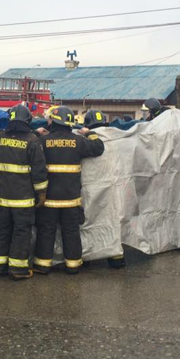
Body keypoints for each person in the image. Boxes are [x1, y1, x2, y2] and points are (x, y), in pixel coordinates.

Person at [33, 106, 105, 274]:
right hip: (71, 199)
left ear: (54, 122)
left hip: (48, 199)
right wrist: (89, 133)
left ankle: (43, 265)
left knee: (46, 231)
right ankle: (73, 266)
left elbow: (29, 144)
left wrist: (37, 133)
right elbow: (98, 147)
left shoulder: (43, 141)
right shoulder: (78, 141)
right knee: (71, 232)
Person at [0, 104, 47, 280]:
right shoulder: (32, 141)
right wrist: (42, 193)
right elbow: (39, 171)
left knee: (1, 231)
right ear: (28, 120)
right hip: (23, 200)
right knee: (21, 232)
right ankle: (18, 269)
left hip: (2, 198)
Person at [83, 109, 125, 269]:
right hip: (112, 187)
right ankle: (116, 258)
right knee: (112, 220)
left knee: (89, 221)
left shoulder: (87, 138)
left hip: (90, 189)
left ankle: (87, 256)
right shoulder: (114, 137)